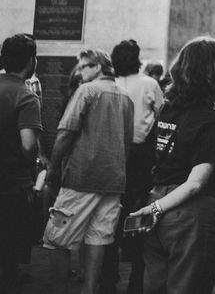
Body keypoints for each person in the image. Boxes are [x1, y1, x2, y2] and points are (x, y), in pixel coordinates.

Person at [130, 37, 215, 294]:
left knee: (156, 285)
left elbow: (151, 155)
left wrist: (151, 207)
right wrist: (155, 208)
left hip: (157, 207)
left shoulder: (167, 111)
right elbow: (196, 183)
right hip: (190, 216)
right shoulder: (211, 122)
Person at [43, 49, 134, 294]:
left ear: (99, 67)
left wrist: (53, 167)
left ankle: (59, 289)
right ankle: (90, 289)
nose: (80, 72)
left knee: (55, 238)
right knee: (98, 238)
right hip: (114, 180)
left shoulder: (87, 91)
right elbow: (128, 141)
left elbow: (66, 132)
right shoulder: (126, 97)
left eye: (84, 67)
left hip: (81, 178)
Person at [101, 39, 165, 294]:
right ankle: (136, 279)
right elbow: (161, 115)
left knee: (109, 213)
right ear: (138, 58)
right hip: (142, 155)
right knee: (139, 214)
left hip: (111, 153)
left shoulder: (110, 85)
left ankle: (108, 276)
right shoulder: (150, 84)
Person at [0, 33, 42, 293]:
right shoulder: (26, 97)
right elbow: (28, 145)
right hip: (12, 185)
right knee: (9, 250)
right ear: (30, 61)